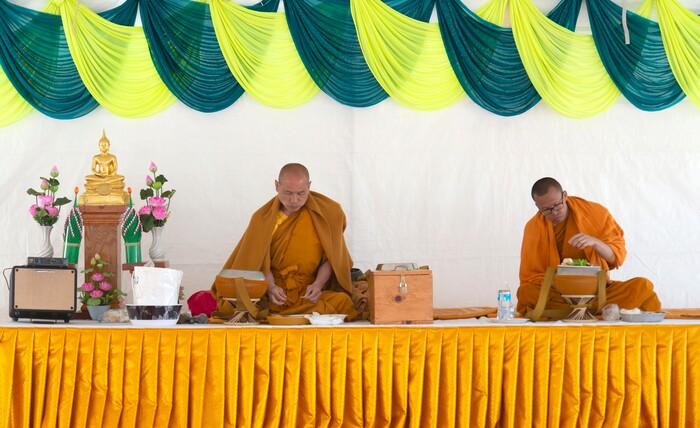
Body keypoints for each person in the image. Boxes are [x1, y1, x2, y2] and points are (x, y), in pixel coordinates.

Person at [211, 163, 357, 320]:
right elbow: (259, 260)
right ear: (276, 186)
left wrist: (317, 285)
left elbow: (332, 258)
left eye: (301, 193)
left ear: (309, 186)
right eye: (288, 193)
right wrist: (271, 287)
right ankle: (291, 314)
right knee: (233, 307)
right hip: (274, 294)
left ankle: (286, 315)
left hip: (307, 293)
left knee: (343, 302)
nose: (294, 200)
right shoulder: (263, 218)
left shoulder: (327, 213)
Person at [517, 177, 661, 315]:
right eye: (547, 210)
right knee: (526, 292)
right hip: (559, 291)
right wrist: (565, 283)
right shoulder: (533, 228)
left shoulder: (595, 213)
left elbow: (617, 258)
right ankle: (597, 309)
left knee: (642, 286)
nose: (554, 213)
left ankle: (571, 311)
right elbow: (532, 277)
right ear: (538, 207)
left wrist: (596, 242)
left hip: (596, 290)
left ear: (565, 196)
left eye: (557, 205)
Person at [79, 130, 128, 205]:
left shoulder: (112, 157)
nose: (104, 147)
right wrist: (98, 174)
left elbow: (115, 168)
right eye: (102, 145)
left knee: (121, 178)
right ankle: (103, 184)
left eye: (105, 145)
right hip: (99, 177)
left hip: (110, 177)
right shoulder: (96, 157)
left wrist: (111, 175)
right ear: (98, 146)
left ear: (109, 145)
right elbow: (93, 169)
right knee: (87, 178)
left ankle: (105, 184)